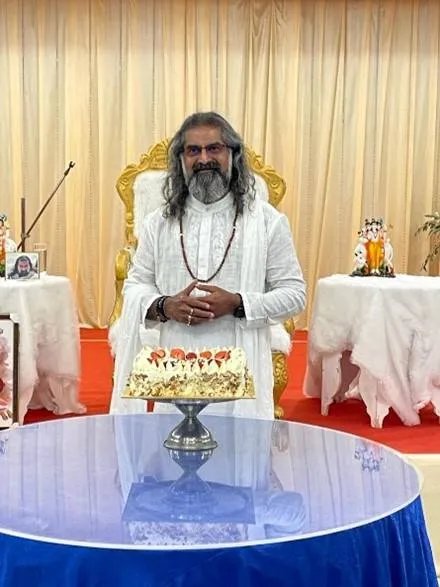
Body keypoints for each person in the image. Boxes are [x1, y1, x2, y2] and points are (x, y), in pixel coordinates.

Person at [110, 111, 306, 419]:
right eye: (193, 150)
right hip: (174, 366)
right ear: (181, 160)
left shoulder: (267, 222)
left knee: (236, 449)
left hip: (243, 373)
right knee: (173, 446)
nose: (204, 159)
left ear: (232, 155)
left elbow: (294, 294)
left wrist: (238, 303)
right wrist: (165, 306)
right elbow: (135, 286)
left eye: (214, 148)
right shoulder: (158, 223)